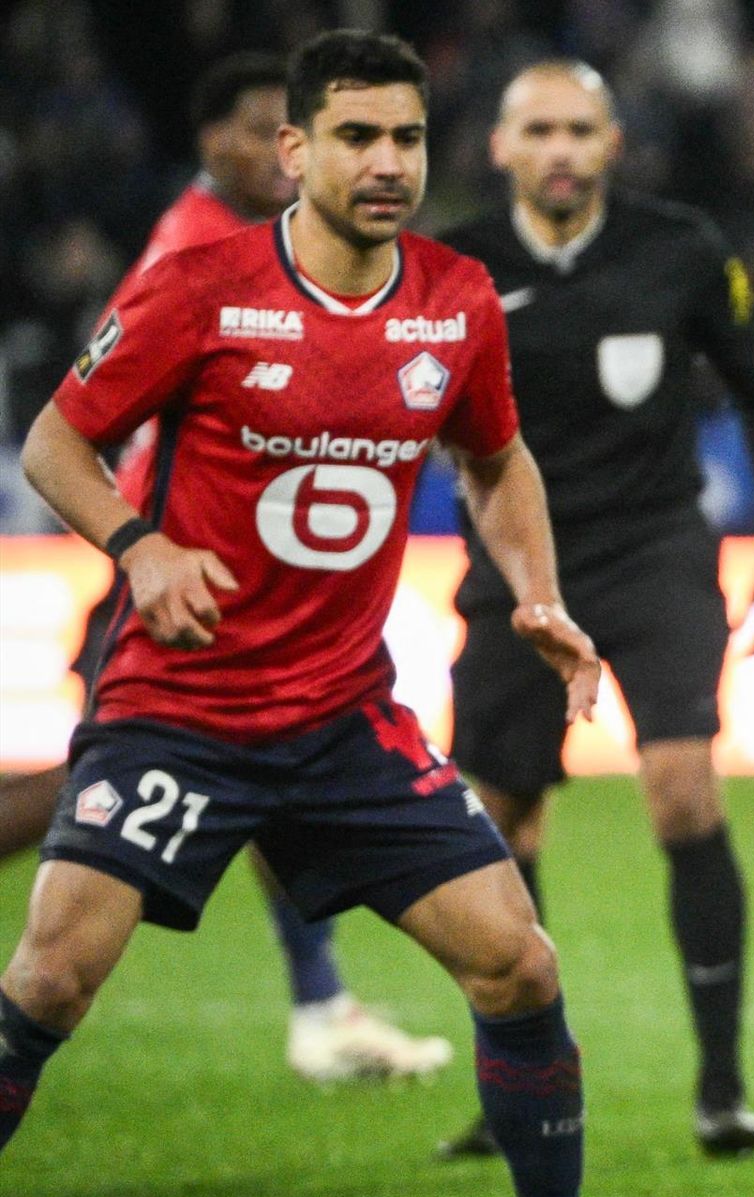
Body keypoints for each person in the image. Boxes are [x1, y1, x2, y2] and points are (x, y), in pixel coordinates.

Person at [0, 33, 596, 1197]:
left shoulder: (456, 299)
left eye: (409, 139)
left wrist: (535, 589)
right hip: (178, 709)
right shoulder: (199, 287)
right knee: (53, 983)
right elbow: (58, 440)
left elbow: (495, 458)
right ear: (294, 150)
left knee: (520, 969)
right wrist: (140, 546)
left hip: (343, 721)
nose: (388, 164)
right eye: (358, 137)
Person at [0, 49, 453, 1087]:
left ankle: (319, 1002)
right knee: (112, 790)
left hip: (225, 559)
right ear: (220, 143)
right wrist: (142, 542)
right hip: (179, 559)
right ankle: (318, 1004)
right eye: (262, 132)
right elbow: (81, 418)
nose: (279, 154)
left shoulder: (248, 241)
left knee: (262, 767)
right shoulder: (207, 253)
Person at [434, 60, 754, 1159]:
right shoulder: (455, 268)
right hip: (518, 572)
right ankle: (522, 1094)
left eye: (578, 130)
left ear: (611, 145)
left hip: (653, 554)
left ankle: (722, 1088)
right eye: (537, 129)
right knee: (501, 824)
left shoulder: (681, 247)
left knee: (682, 791)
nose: (558, 149)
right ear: (501, 148)